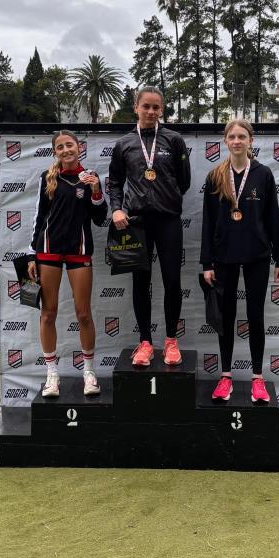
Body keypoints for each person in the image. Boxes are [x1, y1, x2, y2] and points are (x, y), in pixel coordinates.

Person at [200, 119, 279, 404]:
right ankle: (225, 376)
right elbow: (208, 223)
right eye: (232, 137)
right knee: (225, 317)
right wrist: (207, 263)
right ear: (225, 141)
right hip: (224, 256)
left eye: (242, 136)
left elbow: (273, 218)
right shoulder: (215, 176)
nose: (237, 141)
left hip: (256, 255)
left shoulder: (263, 174)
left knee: (255, 315)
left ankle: (257, 378)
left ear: (251, 140)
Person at [108, 86, 191, 367]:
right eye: (146, 106)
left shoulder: (174, 140)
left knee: (172, 281)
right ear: (136, 107)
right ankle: (145, 342)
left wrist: (166, 197)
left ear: (162, 110)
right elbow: (115, 182)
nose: (151, 111)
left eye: (156, 107)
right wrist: (116, 208)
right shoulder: (124, 144)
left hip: (168, 220)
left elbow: (184, 181)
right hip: (137, 223)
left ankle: (171, 341)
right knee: (141, 283)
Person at [27, 130, 107, 397]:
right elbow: (39, 217)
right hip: (48, 251)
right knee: (47, 313)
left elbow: (100, 218)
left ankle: (89, 373)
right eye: (60, 147)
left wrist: (96, 191)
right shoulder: (47, 178)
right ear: (55, 152)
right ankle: (52, 375)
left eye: (69, 145)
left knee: (83, 314)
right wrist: (32, 253)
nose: (66, 150)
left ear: (79, 147)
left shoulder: (90, 177)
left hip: (79, 251)